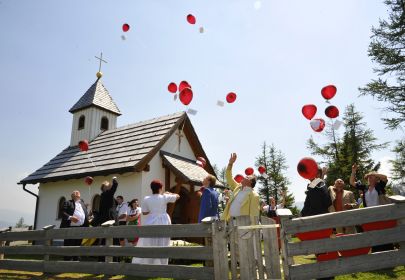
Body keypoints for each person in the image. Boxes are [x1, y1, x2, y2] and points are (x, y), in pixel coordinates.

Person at [132, 180, 180, 265]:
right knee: (163, 242)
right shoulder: (164, 197)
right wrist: (169, 193)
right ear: (161, 188)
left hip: (151, 220)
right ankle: (162, 264)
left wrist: (153, 210)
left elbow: (144, 212)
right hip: (163, 220)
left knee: (149, 242)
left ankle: (149, 263)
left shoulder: (147, 198)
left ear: (151, 188)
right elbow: (177, 196)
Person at [350, 164, 393, 252]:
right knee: (372, 233)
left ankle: (388, 251)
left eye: (371, 177)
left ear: (376, 179)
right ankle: (376, 252)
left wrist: (374, 174)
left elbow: (385, 177)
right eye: (368, 177)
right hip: (369, 215)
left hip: (380, 214)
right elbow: (352, 182)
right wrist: (353, 171)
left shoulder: (379, 186)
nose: (369, 178)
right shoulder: (365, 187)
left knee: (383, 232)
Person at [222, 153, 260, 222]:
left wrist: (252, 230)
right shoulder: (238, 187)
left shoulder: (254, 195)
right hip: (230, 221)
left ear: (250, 182)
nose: (244, 177)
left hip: (243, 226)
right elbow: (228, 177)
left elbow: (254, 214)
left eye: (247, 177)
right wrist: (230, 163)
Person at [60, 190, 89, 261]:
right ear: (73, 195)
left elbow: (85, 215)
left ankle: (76, 260)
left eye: (78, 192)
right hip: (70, 228)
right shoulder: (67, 202)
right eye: (76, 192)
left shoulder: (82, 204)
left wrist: (88, 219)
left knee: (78, 245)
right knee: (69, 245)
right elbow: (62, 212)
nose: (78, 193)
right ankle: (67, 261)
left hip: (81, 228)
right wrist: (70, 217)